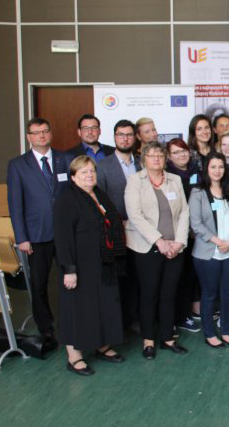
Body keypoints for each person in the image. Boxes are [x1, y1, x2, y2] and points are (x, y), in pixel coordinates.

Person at [53, 156, 126, 376]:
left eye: (92, 171)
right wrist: (69, 269)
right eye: (83, 172)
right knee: (77, 309)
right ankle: (74, 356)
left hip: (103, 263)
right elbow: (62, 237)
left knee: (102, 305)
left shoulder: (99, 194)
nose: (89, 175)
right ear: (73, 177)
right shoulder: (67, 199)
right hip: (80, 266)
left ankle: (102, 345)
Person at [7, 118, 73, 349]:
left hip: (65, 232)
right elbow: (15, 205)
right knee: (39, 284)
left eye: (45, 131)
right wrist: (22, 238)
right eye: (36, 133)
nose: (41, 136)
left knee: (71, 279)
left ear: (50, 134)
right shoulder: (18, 165)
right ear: (29, 137)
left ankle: (71, 323)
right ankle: (46, 329)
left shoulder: (66, 159)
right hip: (35, 235)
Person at [124, 142, 190, 359]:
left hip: (174, 248)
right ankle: (148, 340)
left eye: (160, 155)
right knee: (149, 295)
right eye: (151, 156)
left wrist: (179, 242)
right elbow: (135, 215)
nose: (156, 159)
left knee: (169, 295)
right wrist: (159, 241)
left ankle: (168, 338)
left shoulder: (175, 180)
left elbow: (184, 212)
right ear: (143, 159)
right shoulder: (135, 181)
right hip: (147, 248)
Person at [189, 153, 229, 348]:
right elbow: (196, 223)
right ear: (206, 169)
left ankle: (226, 331)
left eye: (221, 167)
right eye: (213, 167)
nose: (217, 170)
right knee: (209, 294)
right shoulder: (198, 192)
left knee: (228, 294)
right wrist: (218, 241)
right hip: (208, 252)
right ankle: (210, 333)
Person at [97, 119, 143, 331]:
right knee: (121, 278)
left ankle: (137, 318)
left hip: (143, 231)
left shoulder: (142, 162)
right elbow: (100, 201)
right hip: (118, 231)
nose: (125, 139)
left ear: (135, 138)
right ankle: (122, 322)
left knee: (139, 276)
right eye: (120, 135)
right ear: (114, 137)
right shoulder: (103, 166)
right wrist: (117, 222)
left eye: (129, 135)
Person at [164, 138, 202, 334]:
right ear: (169, 156)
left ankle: (191, 311)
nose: (181, 155)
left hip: (197, 232)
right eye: (176, 152)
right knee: (178, 277)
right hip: (177, 234)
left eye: (183, 150)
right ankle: (179, 316)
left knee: (192, 273)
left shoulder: (196, 171)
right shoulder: (167, 176)